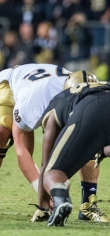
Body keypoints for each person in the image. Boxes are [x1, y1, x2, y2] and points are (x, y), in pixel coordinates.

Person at [0, 66, 109, 223]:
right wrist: (45, 189)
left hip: (49, 88)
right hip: (14, 83)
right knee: (1, 133)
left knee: (87, 138)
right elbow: (22, 151)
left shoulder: (85, 93)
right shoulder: (33, 102)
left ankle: (88, 204)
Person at [38, 76, 110, 226]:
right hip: (95, 104)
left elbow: (46, 165)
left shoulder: (60, 99)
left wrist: (43, 207)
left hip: (88, 107)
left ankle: (61, 199)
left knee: (54, 171)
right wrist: (101, 152)